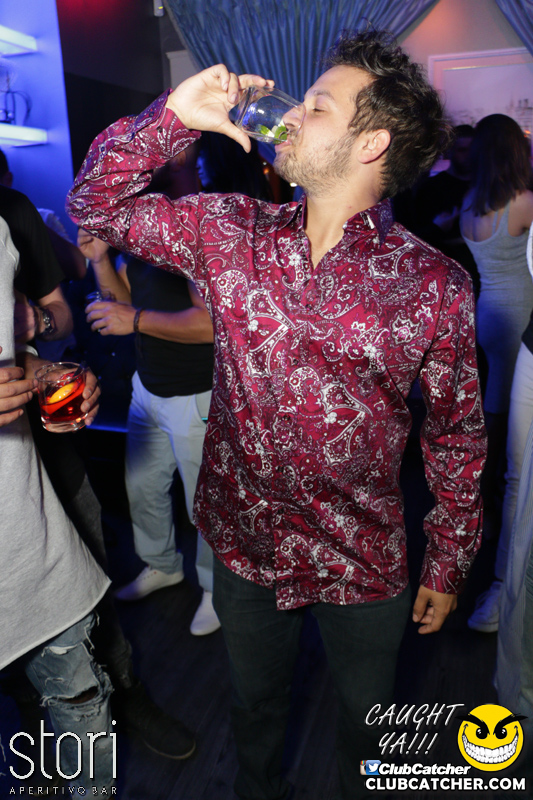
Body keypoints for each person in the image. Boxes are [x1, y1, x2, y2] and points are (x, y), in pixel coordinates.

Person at [67, 29, 487, 800]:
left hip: (363, 555)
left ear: (371, 143)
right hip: (244, 541)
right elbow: (94, 204)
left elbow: (455, 436)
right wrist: (173, 116)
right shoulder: (231, 231)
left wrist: (447, 561)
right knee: (253, 709)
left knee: (368, 726)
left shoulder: (434, 283)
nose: (288, 116)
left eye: (317, 106)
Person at [82, 144, 220, 636]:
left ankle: (216, 589)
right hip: (148, 387)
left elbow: (209, 325)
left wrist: (135, 319)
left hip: (194, 393)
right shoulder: (145, 228)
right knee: (142, 487)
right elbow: (122, 298)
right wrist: (101, 260)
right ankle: (162, 565)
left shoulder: (199, 229)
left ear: (179, 158)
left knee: (204, 503)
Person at [0, 215, 114, 794]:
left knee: (81, 702)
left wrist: (44, 370)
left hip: (28, 532)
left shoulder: (1, 226)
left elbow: (13, 354)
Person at [459, 115, 533, 632]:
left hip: (486, 313)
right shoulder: (523, 201)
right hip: (518, 317)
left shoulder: (469, 204)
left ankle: (480, 506)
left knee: (495, 410)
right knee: (507, 426)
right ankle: (491, 501)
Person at [413, 124, 479, 295]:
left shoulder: (483, 186)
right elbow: (417, 236)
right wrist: (439, 227)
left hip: (480, 270)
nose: (468, 156)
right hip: (446, 273)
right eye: (462, 150)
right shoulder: (431, 188)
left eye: (472, 150)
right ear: (450, 151)